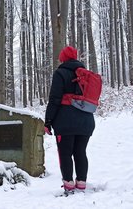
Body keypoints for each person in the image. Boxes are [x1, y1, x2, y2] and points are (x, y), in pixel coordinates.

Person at [44, 46, 95, 193]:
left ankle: (68, 185)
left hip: (65, 123)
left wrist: (48, 121)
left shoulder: (60, 73)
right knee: (80, 152)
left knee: (65, 153)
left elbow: (54, 99)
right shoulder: (86, 74)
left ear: (63, 58)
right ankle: (81, 184)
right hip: (86, 121)